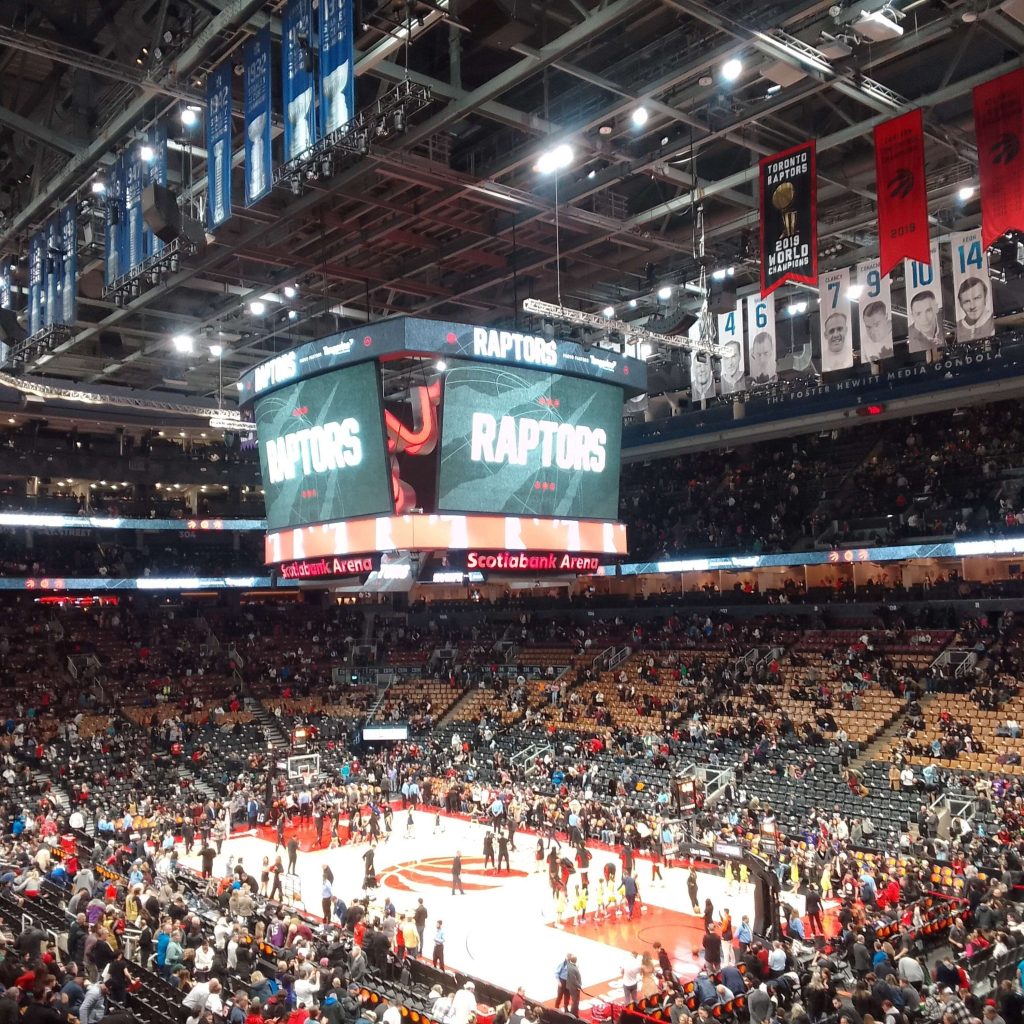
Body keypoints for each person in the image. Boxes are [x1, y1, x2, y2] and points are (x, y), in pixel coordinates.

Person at [956, 275, 994, 339]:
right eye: (967, 301)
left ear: (986, 297)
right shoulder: (957, 328)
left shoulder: (995, 321)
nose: (972, 306)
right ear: (960, 304)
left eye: (976, 298)